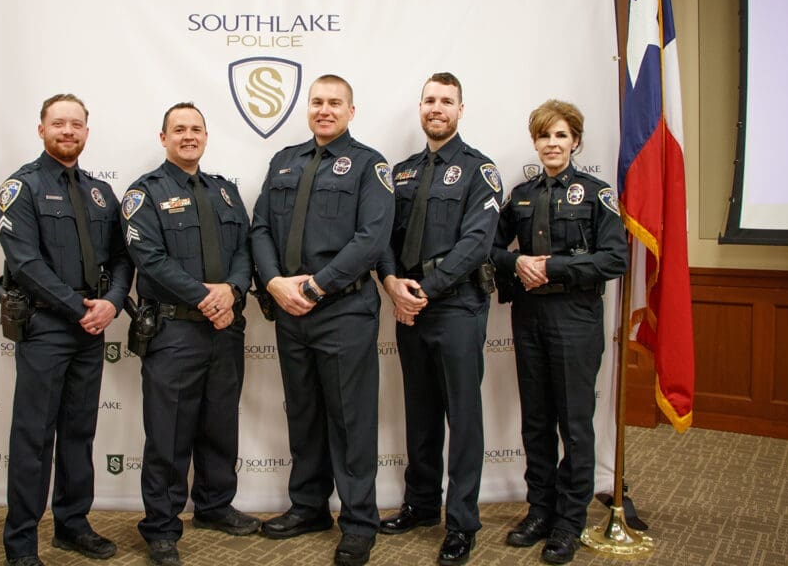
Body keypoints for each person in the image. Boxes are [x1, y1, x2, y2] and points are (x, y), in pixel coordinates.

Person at [250, 74, 394, 566]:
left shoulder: (370, 165)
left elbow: (372, 238)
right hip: (290, 310)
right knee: (304, 413)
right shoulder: (284, 161)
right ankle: (309, 506)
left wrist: (316, 285)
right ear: (306, 108)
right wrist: (273, 282)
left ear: (351, 111)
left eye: (335, 103)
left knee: (351, 420)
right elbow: (262, 228)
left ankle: (358, 521)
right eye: (317, 102)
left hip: (343, 310)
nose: (324, 110)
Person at [0, 93, 134, 566]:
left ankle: (72, 526)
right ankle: (20, 544)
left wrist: (112, 304)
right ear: (41, 129)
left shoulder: (100, 192)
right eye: (59, 123)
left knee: (79, 433)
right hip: (46, 328)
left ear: (87, 132)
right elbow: (27, 264)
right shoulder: (22, 188)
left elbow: (121, 257)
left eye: (76, 124)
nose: (68, 131)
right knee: (34, 437)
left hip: (91, 329)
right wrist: (80, 307)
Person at [490, 99, 628, 565]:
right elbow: (489, 245)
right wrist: (517, 261)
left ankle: (570, 522)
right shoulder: (523, 194)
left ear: (576, 142)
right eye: (545, 135)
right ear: (535, 141)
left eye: (561, 135)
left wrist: (555, 267)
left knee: (574, 423)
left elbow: (616, 259)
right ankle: (540, 511)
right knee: (536, 422)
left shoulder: (596, 194)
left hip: (575, 319)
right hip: (529, 319)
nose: (553, 143)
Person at [122, 102, 257, 566]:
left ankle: (215, 505)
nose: (188, 136)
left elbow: (246, 250)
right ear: (163, 138)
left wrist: (233, 291)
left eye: (196, 129)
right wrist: (206, 296)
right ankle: (161, 526)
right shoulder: (145, 194)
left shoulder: (225, 192)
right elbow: (150, 259)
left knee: (221, 422)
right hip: (174, 329)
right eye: (178, 129)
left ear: (205, 136)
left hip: (225, 328)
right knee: (168, 432)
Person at [376, 72, 502, 566]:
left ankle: (463, 522)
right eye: (429, 100)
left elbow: (476, 244)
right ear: (420, 107)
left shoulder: (479, 169)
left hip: (455, 307)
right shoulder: (401, 172)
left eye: (446, 101)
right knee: (421, 412)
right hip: (408, 303)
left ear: (460, 110)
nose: (436, 108)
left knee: (463, 418)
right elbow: (381, 235)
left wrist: (423, 291)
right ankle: (422, 503)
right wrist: (391, 283)